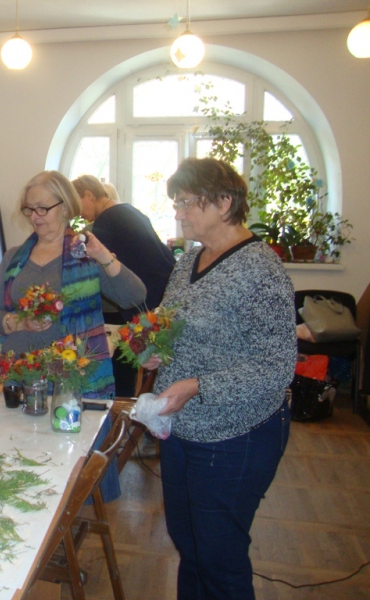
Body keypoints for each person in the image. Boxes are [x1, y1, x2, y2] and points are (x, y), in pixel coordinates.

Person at [142, 158, 296, 600]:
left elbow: (277, 365)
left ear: (224, 202)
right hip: (182, 430)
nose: (178, 213)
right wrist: (157, 349)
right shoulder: (189, 260)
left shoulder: (260, 270)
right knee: (189, 546)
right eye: (176, 203)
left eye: (186, 202)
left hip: (236, 436)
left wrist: (197, 386)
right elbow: (172, 322)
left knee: (219, 558)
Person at [0, 170, 146, 399]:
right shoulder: (14, 258)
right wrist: (20, 322)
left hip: (71, 383)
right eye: (29, 209)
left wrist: (103, 256)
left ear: (65, 207)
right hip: (17, 378)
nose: (35, 216)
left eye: (42, 208)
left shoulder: (85, 255)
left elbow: (134, 297)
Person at [72, 175, 176, 396]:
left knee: (123, 355)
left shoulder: (107, 219)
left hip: (145, 297)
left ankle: (119, 402)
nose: (77, 213)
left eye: (77, 203)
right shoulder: (129, 210)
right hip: (164, 289)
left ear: (89, 195)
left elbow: (92, 269)